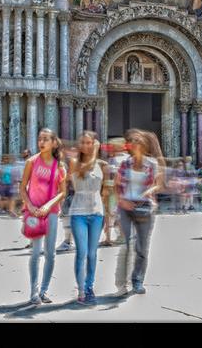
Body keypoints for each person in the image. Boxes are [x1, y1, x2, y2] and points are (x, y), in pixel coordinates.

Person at [19, 128, 67, 305]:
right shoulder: (31, 162)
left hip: (52, 213)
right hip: (34, 213)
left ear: (54, 142)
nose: (41, 142)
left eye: (46, 139)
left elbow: (62, 192)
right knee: (35, 252)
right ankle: (34, 291)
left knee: (50, 253)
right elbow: (22, 188)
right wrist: (30, 206)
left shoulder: (60, 166)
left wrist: (48, 205)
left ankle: (44, 290)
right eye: (40, 139)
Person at [114, 129, 164, 296]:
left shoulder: (152, 164)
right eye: (132, 142)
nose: (133, 144)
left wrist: (149, 191)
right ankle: (121, 283)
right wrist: (121, 200)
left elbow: (159, 184)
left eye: (136, 142)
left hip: (144, 207)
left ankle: (137, 281)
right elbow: (117, 185)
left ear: (143, 145)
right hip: (126, 208)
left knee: (141, 248)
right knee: (126, 244)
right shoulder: (124, 164)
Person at [69, 131, 108, 304]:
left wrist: (107, 215)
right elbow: (84, 170)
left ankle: (89, 285)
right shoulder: (74, 163)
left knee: (92, 253)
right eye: (83, 142)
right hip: (78, 212)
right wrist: (96, 152)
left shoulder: (102, 165)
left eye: (89, 143)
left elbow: (105, 191)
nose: (86, 145)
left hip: (97, 212)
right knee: (82, 252)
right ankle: (81, 289)